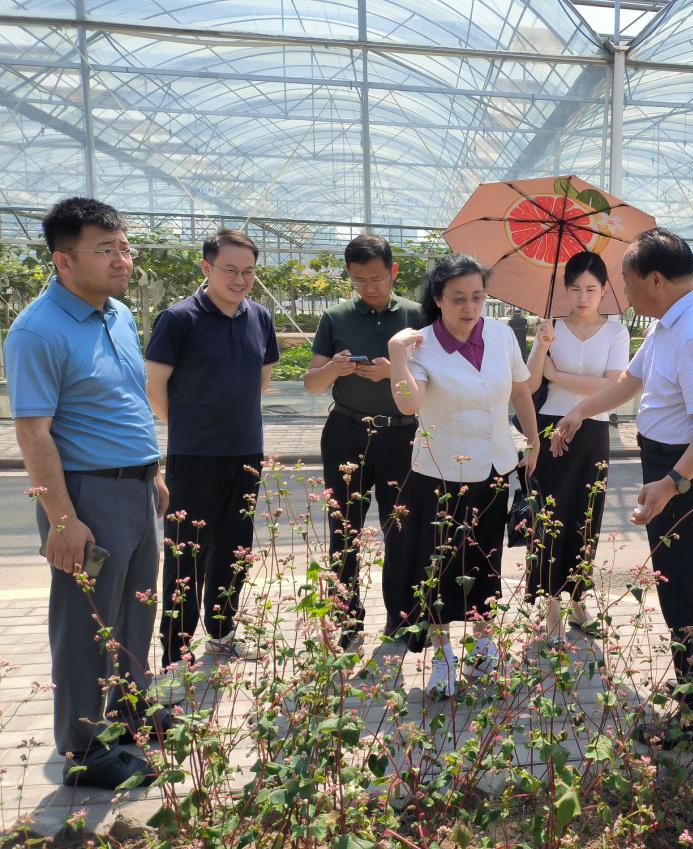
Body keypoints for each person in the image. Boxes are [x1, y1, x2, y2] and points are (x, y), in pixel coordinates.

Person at [552, 228, 693, 751]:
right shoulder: (668, 323)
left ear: (656, 279)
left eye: (628, 283)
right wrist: (578, 411)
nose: (624, 295)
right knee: (680, 585)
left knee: (685, 590)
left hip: (690, 470)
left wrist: (672, 483)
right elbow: (630, 381)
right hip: (672, 466)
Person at [4, 197, 169, 788]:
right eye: (105, 250)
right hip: (86, 497)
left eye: (124, 247)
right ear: (64, 260)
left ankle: (130, 713)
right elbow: (33, 432)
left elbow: (126, 399)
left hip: (136, 487)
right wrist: (62, 520)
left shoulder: (116, 313)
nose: (122, 259)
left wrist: (153, 471)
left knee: (137, 609)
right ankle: (82, 748)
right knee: (86, 622)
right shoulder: (38, 331)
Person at [385, 254, 539, 699]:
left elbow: (520, 389)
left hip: (493, 468)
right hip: (440, 474)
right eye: (458, 298)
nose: (470, 308)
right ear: (438, 299)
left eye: (477, 296)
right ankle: (443, 656)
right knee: (439, 566)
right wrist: (396, 354)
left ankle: (483, 643)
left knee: (486, 560)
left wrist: (532, 440)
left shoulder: (502, 335)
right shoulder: (420, 346)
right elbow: (408, 404)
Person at [145, 229, 279, 695]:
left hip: (246, 452)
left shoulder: (259, 316)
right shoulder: (179, 319)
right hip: (195, 455)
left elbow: (261, 378)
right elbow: (155, 387)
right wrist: (191, 424)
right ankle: (176, 656)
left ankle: (222, 635)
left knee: (234, 548)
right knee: (187, 554)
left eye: (248, 272)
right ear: (206, 268)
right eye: (230, 270)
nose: (240, 280)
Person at [304, 235, 424, 651]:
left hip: (403, 433)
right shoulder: (335, 317)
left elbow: (435, 376)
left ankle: (401, 618)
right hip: (347, 431)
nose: (369, 288)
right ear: (349, 276)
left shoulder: (418, 316)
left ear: (393, 272)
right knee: (344, 528)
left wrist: (394, 372)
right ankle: (347, 619)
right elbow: (311, 383)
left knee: (402, 528)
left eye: (376, 278)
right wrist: (334, 370)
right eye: (359, 280)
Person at [524, 251, 630, 644]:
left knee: (587, 516)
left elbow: (613, 386)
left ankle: (578, 599)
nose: (583, 297)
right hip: (550, 427)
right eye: (575, 289)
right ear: (564, 290)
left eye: (591, 289)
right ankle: (551, 604)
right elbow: (531, 385)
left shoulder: (616, 333)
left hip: (593, 430)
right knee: (550, 515)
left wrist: (558, 373)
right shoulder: (550, 328)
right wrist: (541, 348)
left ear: (604, 290)